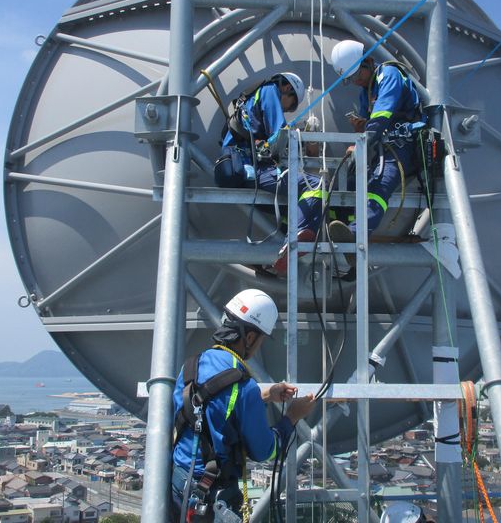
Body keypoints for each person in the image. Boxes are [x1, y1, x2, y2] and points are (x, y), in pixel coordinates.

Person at [171, 289, 316, 521]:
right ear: (249, 338)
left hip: (178, 483)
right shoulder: (244, 386)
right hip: (211, 496)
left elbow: (214, 406)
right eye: (259, 340)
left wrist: (267, 394)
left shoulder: (191, 367)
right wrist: (292, 417)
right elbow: (265, 450)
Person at [213, 72, 325, 276]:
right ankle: (291, 243)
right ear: (286, 88)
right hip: (251, 167)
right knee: (315, 185)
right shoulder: (268, 91)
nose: (286, 109)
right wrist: (306, 137)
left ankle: (273, 254)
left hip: (243, 166)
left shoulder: (250, 100)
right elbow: (279, 133)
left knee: (290, 209)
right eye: (289, 105)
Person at [327, 40, 425, 266]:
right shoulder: (366, 91)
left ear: (368, 61)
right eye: (351, 79)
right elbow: (370, 125)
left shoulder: (389, 74)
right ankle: (342, 232)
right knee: (350, 182)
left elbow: (381, 117)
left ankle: (356, 235)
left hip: (404, 145)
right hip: (383, 146)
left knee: (381, 183)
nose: (356, 81)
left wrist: (360, 142)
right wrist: (359, 132)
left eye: (356, 75)